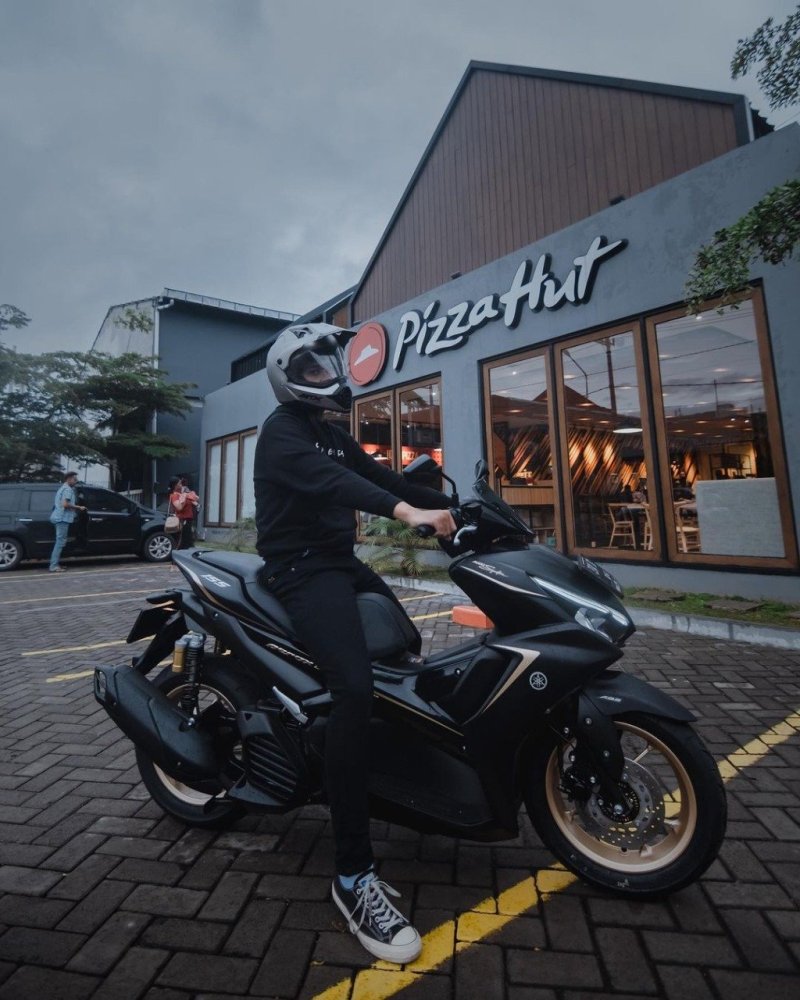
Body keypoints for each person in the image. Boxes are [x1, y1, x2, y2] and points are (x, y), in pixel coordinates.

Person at [254, 323, 456, 965]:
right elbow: (337, 485)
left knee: (404, 650)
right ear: (288, 376)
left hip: (340, 563)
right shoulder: (282, 433)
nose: (324, 376)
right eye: (312, 369)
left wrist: (462, 507)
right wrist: (406, 515)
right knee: (355, 688)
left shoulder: (333, 434)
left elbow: (383, 478)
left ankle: (393, 770)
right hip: (300, 568)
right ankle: (352, 876)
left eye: (327, 366)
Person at [48, 471, 86, 572]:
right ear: (69, 479)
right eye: (75, 479)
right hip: (62, 518)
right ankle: (54, 566)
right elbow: (65, 504)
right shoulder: (68, 490)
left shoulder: (62, 488)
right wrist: (79, 507)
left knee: (60, 541)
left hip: (58, 517)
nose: (76, 481)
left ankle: (55, 564)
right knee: (60, 542)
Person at [168, 477, 199, 550]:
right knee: (183, 541)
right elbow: (179, 507)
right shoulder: (174, 495)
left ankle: (187, 552)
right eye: (179, 483)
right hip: (182, 520)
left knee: (189, 540)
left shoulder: (183, 494)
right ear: (175, 485)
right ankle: (180, 554)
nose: (181, 484)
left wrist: (188, 494)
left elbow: (197, 498)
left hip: (189, 520)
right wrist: (184, 498)